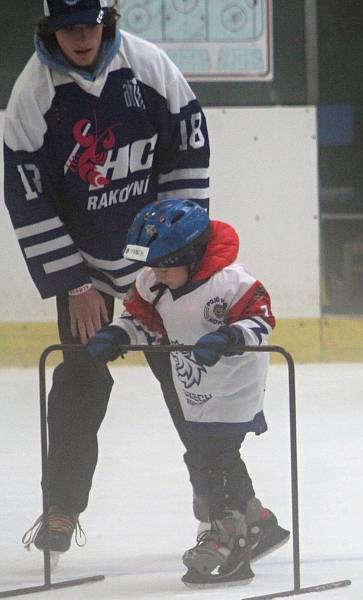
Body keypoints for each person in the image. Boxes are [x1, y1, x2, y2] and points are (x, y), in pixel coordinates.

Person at [6, 0, 215, 561]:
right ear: (49, 27)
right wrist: (75, 283)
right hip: (87, 274)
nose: (80, 37)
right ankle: (62, 507)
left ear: (108, 19)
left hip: (158, 265)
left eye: (89, 24)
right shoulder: (33, 94)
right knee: (79, 382)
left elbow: (188, 150)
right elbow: (28, 197)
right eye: (68, 27)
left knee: (188, 382)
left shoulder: (150, 70)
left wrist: (174, 254)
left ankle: (216, 497)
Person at [86, 198, 290, 585]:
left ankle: (227, 537)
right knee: (205, 453)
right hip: (191, 381)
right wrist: (119, 335)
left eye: (165, 266)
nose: (157, 275)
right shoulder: (153, 282)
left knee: (215, 455)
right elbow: (140, 320)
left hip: (233, 383)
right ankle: (258, 522)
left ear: (192, 255)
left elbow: (261, 318)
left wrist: (230, 336)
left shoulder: (232, 283)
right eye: (154, 266)